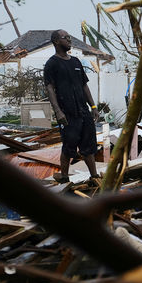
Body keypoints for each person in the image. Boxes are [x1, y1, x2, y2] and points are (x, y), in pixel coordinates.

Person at [44, 29, 100, 183]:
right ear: (56, 41)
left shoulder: (76, 62)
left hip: (83, 111)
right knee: (69, 145)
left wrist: (93, 107)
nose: (69, 40)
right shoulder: (51, 64)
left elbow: (84, 86)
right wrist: (58, 112)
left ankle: (94, 176)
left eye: (69, 37)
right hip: (67, 113)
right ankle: (64, 178)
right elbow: (50, 88)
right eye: (66, 38)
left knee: (88, 145)